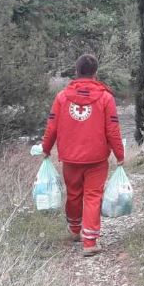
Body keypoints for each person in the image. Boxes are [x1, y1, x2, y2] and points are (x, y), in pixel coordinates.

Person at [42, 54, 125, 257]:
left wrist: (46, 148)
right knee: (93, 196)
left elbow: (51, 126)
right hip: (96, 158)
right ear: (95, 72)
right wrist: (119, 154)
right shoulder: (106, 98)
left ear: (76, 71)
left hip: (70, 157)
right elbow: (112, 130)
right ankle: (89, 241)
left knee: (74, 194)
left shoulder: (62, 97)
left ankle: (74, 230)